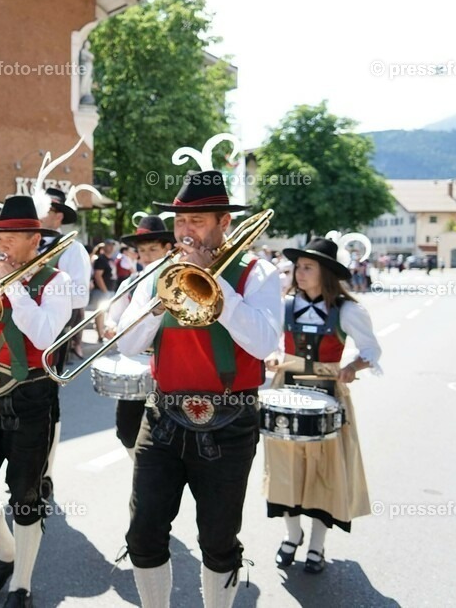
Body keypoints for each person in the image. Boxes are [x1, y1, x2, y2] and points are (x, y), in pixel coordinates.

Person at [114, 169, 281, 608]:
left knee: (218, 539)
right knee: (144, 532)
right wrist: (161, 297)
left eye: (198, 222)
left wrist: (214, 281)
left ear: (224, 223)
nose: (186, 233)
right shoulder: (156, 273)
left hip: (230, 417)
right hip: (163, 415)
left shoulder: (257, 272)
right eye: (180, 222)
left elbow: (265, 343)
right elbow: (128, 343)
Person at [0, 194, 71, 608]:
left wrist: (15, 286)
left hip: (31, 396)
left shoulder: (56, 280)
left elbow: (43, 336)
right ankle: (6, 552)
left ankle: (21, 584)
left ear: (34, 239)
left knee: (25, 496)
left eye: (11, 236)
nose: (0, 243)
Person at [263, 237, 381, 574]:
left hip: (328, 394)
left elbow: (371, 351)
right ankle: (292, 534)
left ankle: (316, 545)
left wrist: (352, 368)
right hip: (286, 389)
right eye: (298, 267)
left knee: (323, 473)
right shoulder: (284, 305)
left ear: (325, 273)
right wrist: (273, 356)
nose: (299, 273)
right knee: (285, 470)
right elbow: (271, 344)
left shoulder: (347, 310)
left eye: (307, 267)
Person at [105, 215, 174, 458]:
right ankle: (139, 465)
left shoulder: (181, 281)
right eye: (141, 250)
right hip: (135, 364)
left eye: (153, 249)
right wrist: (111, 325)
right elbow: (113, 315)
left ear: (169, 248)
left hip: (167, 366)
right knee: (126, 429)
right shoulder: (130, 283)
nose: (146, 256)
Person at [37, 187, 90, 501]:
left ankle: (45, 471)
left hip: (52, 336)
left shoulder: (71, 249)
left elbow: (79, 297)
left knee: (45, 404)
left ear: (57, 215)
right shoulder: (17, 241)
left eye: (41, 209)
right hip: (11, 335)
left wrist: (45, 284)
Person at [91, 239, 118, 340]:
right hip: (102, 291)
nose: (111, 247)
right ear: (104, 246)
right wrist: (105, 290)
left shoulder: (110, 259)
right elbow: (98, 276)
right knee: (99, 314)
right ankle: (100, 335)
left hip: (110, 290)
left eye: (112, 245)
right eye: (109, 245)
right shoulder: (101, 259)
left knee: (106, 314)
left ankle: (104, 333)